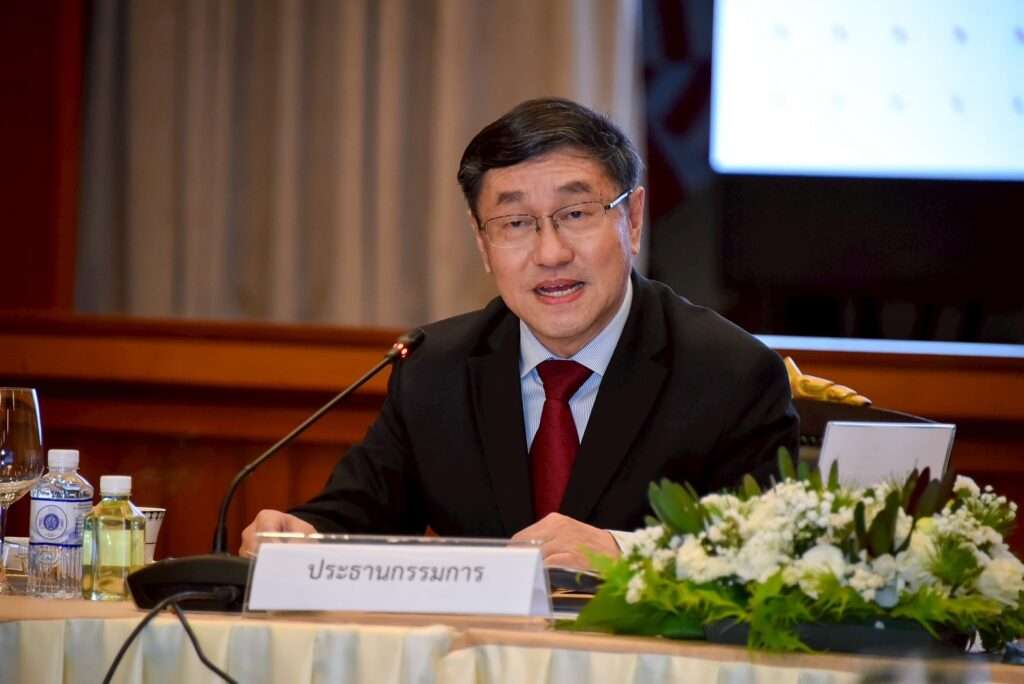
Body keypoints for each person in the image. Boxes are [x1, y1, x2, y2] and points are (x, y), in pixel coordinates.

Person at [240, 97, 798, 567]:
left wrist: (622, 554)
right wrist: (299, 536)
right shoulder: (436, 368)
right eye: (515, 223)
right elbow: (355, 517)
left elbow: (769, 555)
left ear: (632, 219)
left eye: (576, 214)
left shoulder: (729, 373)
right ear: (483, 243)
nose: (550, 253)